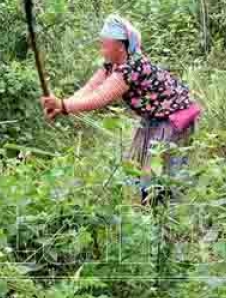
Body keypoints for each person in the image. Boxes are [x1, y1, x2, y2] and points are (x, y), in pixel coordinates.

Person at [41, 15, 201, 202]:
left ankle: (167, 222)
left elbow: (100, 97)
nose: (102, 50)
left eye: (105, 45)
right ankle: (152, 217)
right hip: (154, 118)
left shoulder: (132, 67)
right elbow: (91, 88)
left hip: (174, 118)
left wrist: (63, 105)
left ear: (120, 45)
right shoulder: (113, 64)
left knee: (159, 176)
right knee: (140, 171)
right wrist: (63, 104)